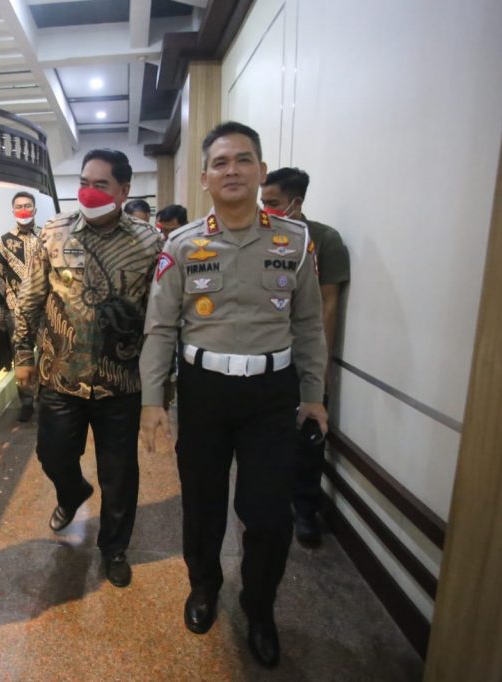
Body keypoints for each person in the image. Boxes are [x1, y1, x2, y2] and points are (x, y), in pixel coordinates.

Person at [139, 122, 326, 669]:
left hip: (272, 393)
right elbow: (160, 328)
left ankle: (259, 608)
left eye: (243, 160)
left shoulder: (295, 242)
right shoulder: (181, 244)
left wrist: (313, 395)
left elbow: (309, 325)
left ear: (261, 171)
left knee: (268, 515)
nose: (232, 170)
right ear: (205, 178)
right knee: (202, 503)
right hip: (205, 392)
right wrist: (153, 401)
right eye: (220, 163)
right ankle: (203, 586)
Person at [13, 148, 162, 588]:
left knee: (120, 474)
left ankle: (114, 548)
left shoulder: (150, 242)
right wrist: (23, 356)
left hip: (122, 380)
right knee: (53, 454)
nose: (88, 191)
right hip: (61, 374)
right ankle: (72, 491)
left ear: (123, 190)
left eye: (101, 184)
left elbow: (160, 317)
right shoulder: (53, 232)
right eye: (84, 182)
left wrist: (159, 387)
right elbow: (30, 298)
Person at [262, 167, 350, 547]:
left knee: (308, 438)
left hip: (304, 356)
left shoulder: (324, 240)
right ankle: (270, 503)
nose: (265, 209)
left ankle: (305, 510)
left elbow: (327, 306)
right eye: (263, 202)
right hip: (267, 356)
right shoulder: (262, 236)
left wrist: (320, 365)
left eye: (273, 202)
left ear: (296, 203)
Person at [0, 191, 41, 422]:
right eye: (19, 206)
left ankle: (46, 396)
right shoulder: (4, 241)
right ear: (13, 211)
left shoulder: (46, 237)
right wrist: (0, 311)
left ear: (35, 209)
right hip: (16, 308)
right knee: (21, 355)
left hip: (44, 308)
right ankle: (26, 402)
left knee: (49, 352)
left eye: (28, 205)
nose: (24, 210)